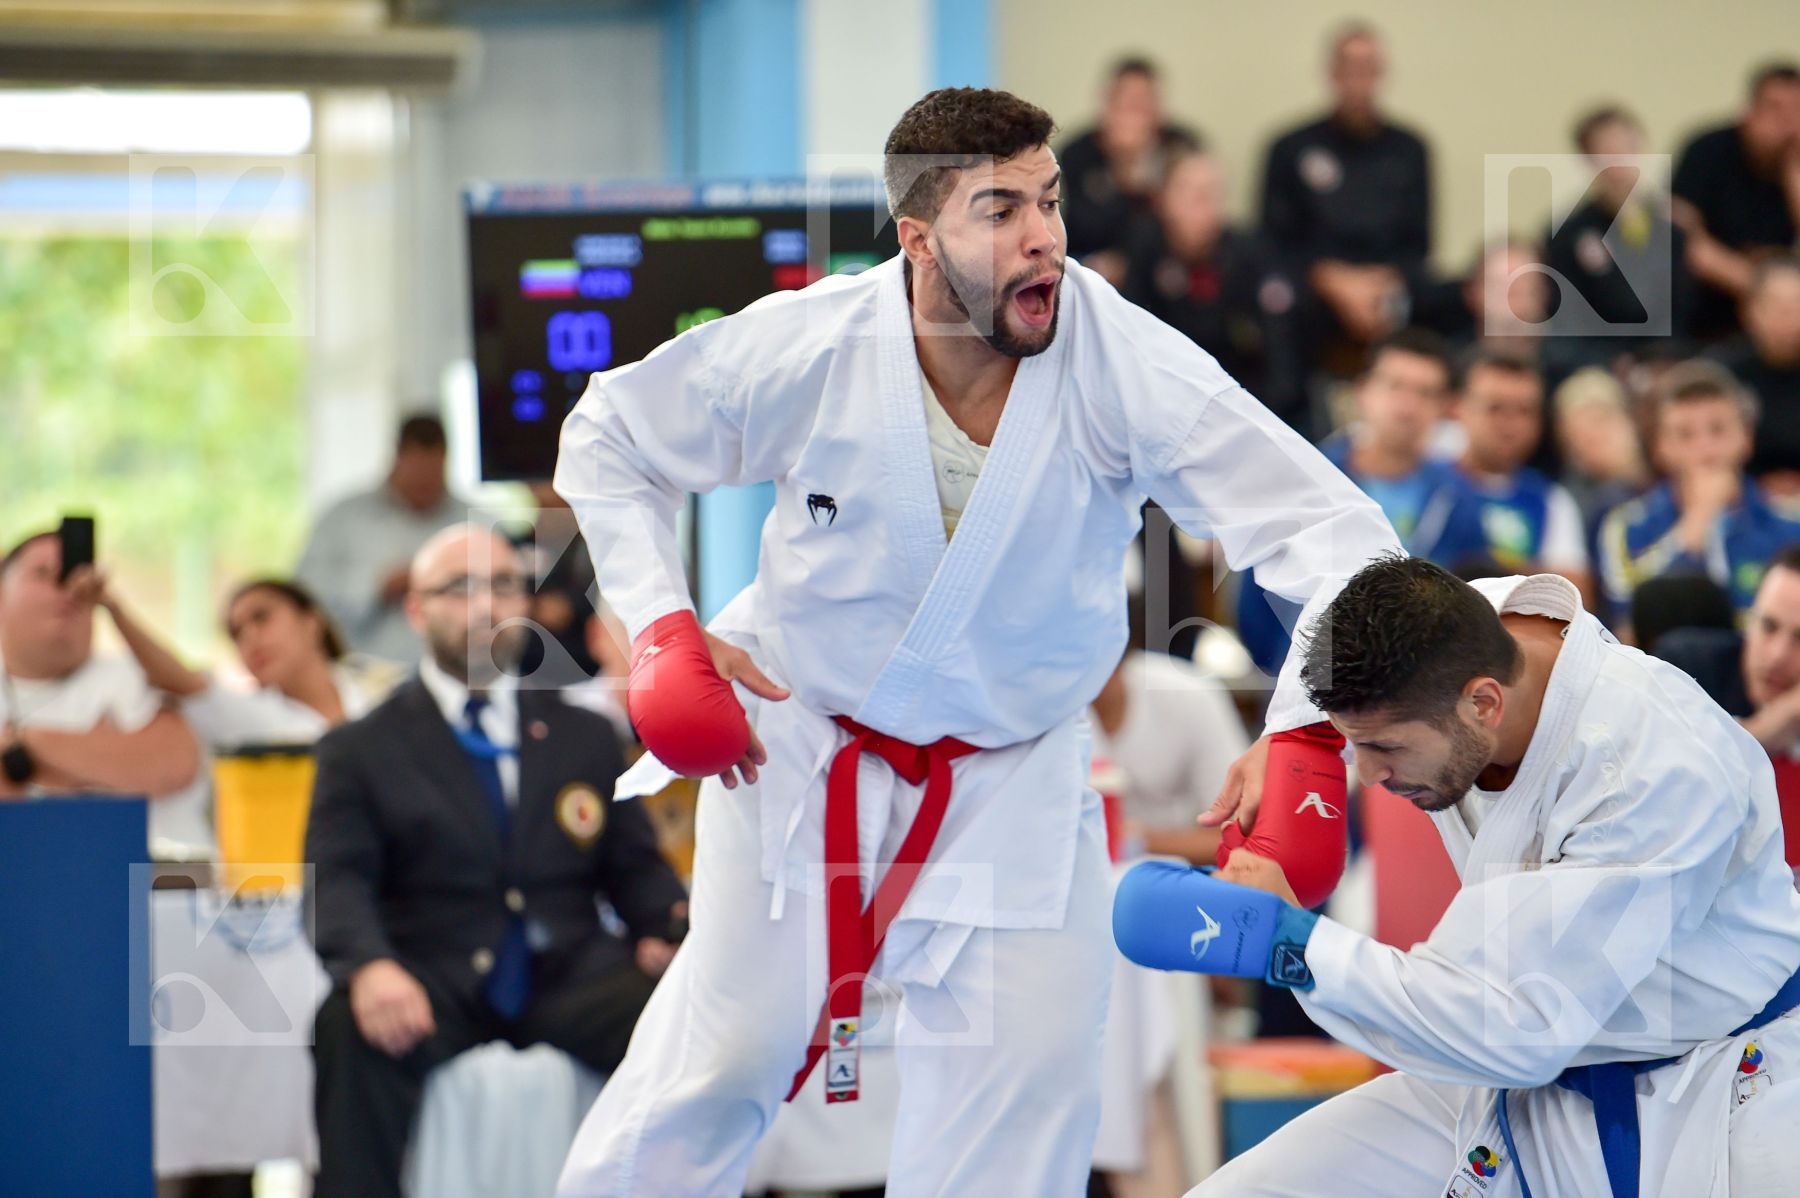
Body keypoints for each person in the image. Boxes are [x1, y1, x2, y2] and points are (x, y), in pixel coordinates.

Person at [551, 87, 1401, 1197]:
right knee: (719, 1068)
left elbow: (1336, 533)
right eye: (999, 210)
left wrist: (1301, 738)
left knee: (1026, 1107)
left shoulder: (1124, 365)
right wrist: (662, 628)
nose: (1043, 235)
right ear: (917, 239)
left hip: (1017, 772)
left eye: (1049, 201)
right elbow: (609, 435)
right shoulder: (812, 345)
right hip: (804, 748)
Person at [1113, 555, 1800, 1197]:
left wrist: (1288, 943)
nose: (1369, 777)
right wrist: (1292, 732)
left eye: (1385, 747)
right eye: (1356, 743)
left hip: (1706, 1093)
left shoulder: (1653, 771)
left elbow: (1513, 1025)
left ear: (1484, 704)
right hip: (1521, 1068)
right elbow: (1347, 574)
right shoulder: (1464, 626)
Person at [306, 524, 689, 1198]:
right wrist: (369, 967)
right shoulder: (361, 749)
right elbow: (337, 883)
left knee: (688, 1017)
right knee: (346, 1028)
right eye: (460, 589)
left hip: (570, 973)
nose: (486, 607)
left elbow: (633, 868)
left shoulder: (583, 736)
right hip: (433, 977)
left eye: (505, 586)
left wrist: (668, 928)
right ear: (416, 610)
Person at [1237, 330, 1488, 676]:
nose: (1408, 406)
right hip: (1310, 683)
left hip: (1422, 689)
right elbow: (1256, 597)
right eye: (1395, 386)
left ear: (1445, 408)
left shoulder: (1460, 500)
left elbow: (1473, 602)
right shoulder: (1303, 484)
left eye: (1426, 393)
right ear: (1362, 392)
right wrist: (1287, 671)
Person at [0, 531, 204, 847]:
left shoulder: (128, 675)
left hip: (137, 882)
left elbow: (174, 763)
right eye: (42, 574)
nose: (65, 588)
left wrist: (23, 748)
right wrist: (97, 760)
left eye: (74, 575)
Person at [1260, 23, 1431, 366]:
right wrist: (1335, 282)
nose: (1359, 81)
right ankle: (1292, 410)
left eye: (1368, 69)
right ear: (1332, 73)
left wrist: (1377, 285)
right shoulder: (1291, 148)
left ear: (1382, 75)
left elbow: (1420, 243)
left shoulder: (1410, 150)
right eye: (1350, 69)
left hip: (1387, 286)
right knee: (1277, 299)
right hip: (1313, 289)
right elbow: (1273, 241)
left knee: (1435, 299)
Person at [80, 573, 396, 748]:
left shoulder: (386, 689)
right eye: (236, 633)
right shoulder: (255, 719)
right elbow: (176, 678)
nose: (250, 639)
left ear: (312, 621)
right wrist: (112, 608)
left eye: (262, 618)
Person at [1121, 150, 1308, 436]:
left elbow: (1281, 356)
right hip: (1163, 410)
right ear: (1163, 199)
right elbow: (1131, 345)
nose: (1204, 205)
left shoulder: (1252, 254)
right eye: (1192, 193)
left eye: (1213, 193)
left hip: (1244, 408)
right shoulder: (1144, 250)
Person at [1598, 359, 1800, 618]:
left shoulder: (1792, 522)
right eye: (1685, 434)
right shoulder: (1627, 526)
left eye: (1718, 430)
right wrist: (1694, 525)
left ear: (1746, 437)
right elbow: (1630, 618)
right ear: (1660, 448)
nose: (1705, 448)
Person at [295, 413, 467, 664]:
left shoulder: (475, 523)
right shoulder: (342, 520)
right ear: (396, 459)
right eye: (417, 477)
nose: (424, 488)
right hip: (361, 677)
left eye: (432, 479)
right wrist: (377, 588)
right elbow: (303, 600)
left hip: (455, 678)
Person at [1543, 106, 1693, 382]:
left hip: (1668, 361)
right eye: (1606, 151)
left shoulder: (1672, 227)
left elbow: (1680, 309)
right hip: (1600, 366)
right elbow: (1568, 319)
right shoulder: (1567, 234)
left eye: (1626, 147)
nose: (1619, 162)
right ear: (1587, 158)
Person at [1672, 63, 1800, 341]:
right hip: (1709, 313)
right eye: (1776, 110)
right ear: (1749, 112)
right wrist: (1766, 291)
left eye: (1796, 111)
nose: (1787, 123)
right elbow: (1684, 239)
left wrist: (1793, 171)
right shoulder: (1707, 152)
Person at [1453, 349, 1593, 601]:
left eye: (1525, 411)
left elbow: (1576, 593)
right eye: (1495, 408)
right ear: (1459, 408)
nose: (1510, 423)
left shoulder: (1551, 499)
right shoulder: (1428, 480)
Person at [1090, 648, 1248, 866]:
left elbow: (1240, 835)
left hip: (1188, 875)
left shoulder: (1189, 694)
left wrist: (1137, 840)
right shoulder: (1040, 706)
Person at [1057, 57, 1200, 284]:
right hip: (1099, 270)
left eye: (1144, 103)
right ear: (1107, 105)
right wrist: (1122, 169)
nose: (1135, 116)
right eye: (1127, 104)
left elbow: (1191, 222)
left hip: (1170, 271)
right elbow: (1079, 228)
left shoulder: (1182, 145)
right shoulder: (1077, 153)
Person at [1709, 256, 1800, 494]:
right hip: (1739, 498)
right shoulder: (1720, 373)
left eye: (1796, 304)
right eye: (1775, 305)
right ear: (1749, 310)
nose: (1787, 316)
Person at [1736, 545, 1800, 882]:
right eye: (1768, 627)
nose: (1776, 656)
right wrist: (1780, 720)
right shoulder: (1688, 667)